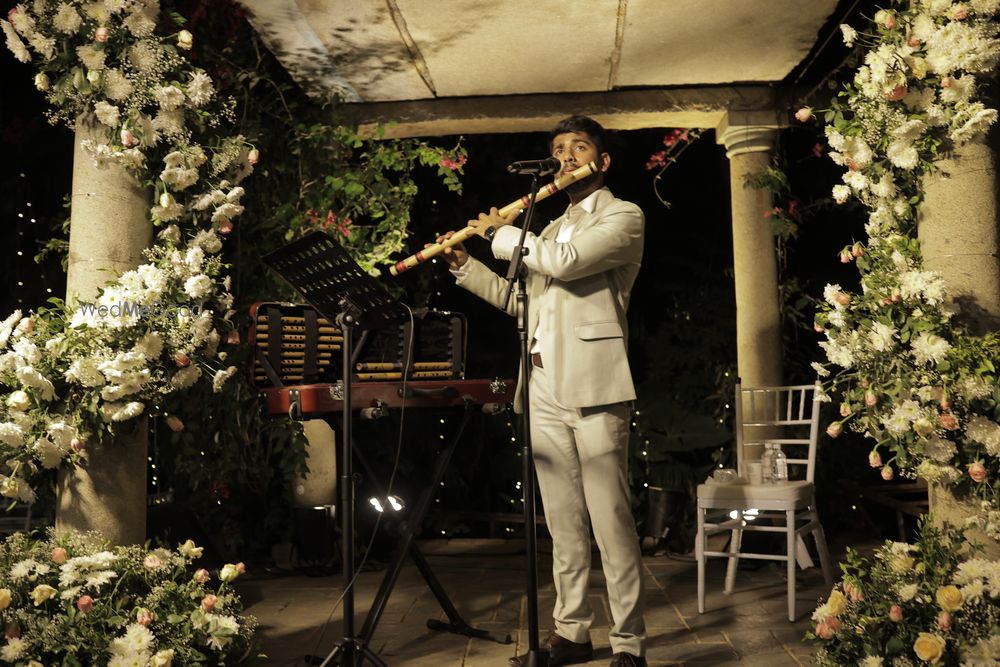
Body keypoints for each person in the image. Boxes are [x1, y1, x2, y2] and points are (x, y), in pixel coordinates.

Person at [434, 115, 647, 667]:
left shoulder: (624, 216)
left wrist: (501, 233)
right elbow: (518, 302)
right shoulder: (547, 229)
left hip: (596, 386)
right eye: (558, 149)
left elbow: (567, 265)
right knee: (563, 521)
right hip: (542, 384)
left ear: (603, 161)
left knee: (610, 519)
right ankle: (572, 633)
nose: (567, 156)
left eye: (579, 147)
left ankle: (629, 643)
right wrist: (467, 263)